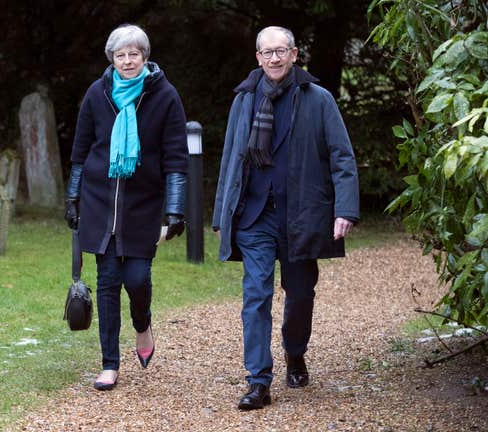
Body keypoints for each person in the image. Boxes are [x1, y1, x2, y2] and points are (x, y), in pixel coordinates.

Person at [212, 26, 360, 410]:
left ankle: (295, 351)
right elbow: (230, 157)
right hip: (254, 217)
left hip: (302, 216)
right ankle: (258, 381)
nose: (274, 59)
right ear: (257, 57)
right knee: (255, 295)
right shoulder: (244, 99)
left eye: (281, 51)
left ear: (294, 54)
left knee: (300, 293)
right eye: (266, 52)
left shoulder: (319, 99)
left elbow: (342, 156)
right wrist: (220, 215)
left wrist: (345, 209)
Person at [65, 24, 189, 391]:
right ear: (112, 59)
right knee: (106, 284)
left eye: (134, 54)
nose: (128, 61)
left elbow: (176, 158)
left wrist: (175, 207)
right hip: (100, 201)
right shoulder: (97, 93)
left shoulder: (164, 96)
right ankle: (109, 364)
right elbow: (80, 150)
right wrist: (73, 197)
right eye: (121, 55)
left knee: (137, 279)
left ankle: (142, 324)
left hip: (142, 204)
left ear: (145, 57)